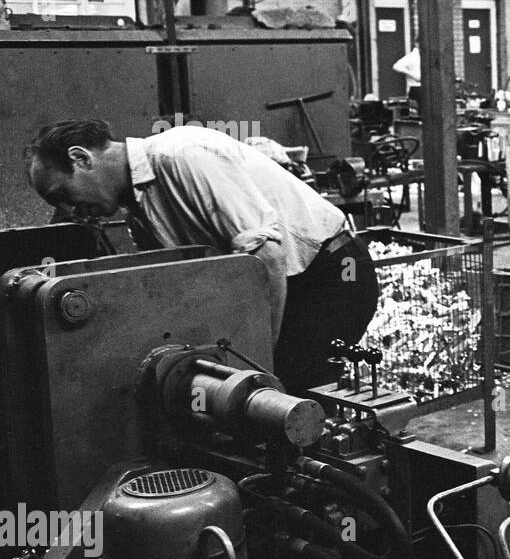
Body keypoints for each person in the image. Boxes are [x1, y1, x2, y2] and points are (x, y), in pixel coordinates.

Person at [25, 119, 379, 396]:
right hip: (286, 286)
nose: (70, 211)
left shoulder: (180, 154)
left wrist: (257, 364)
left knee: (282, 398)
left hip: (331, 276)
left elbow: (267, 258)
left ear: (81, 158)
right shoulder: (139, 209)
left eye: (63, 195)